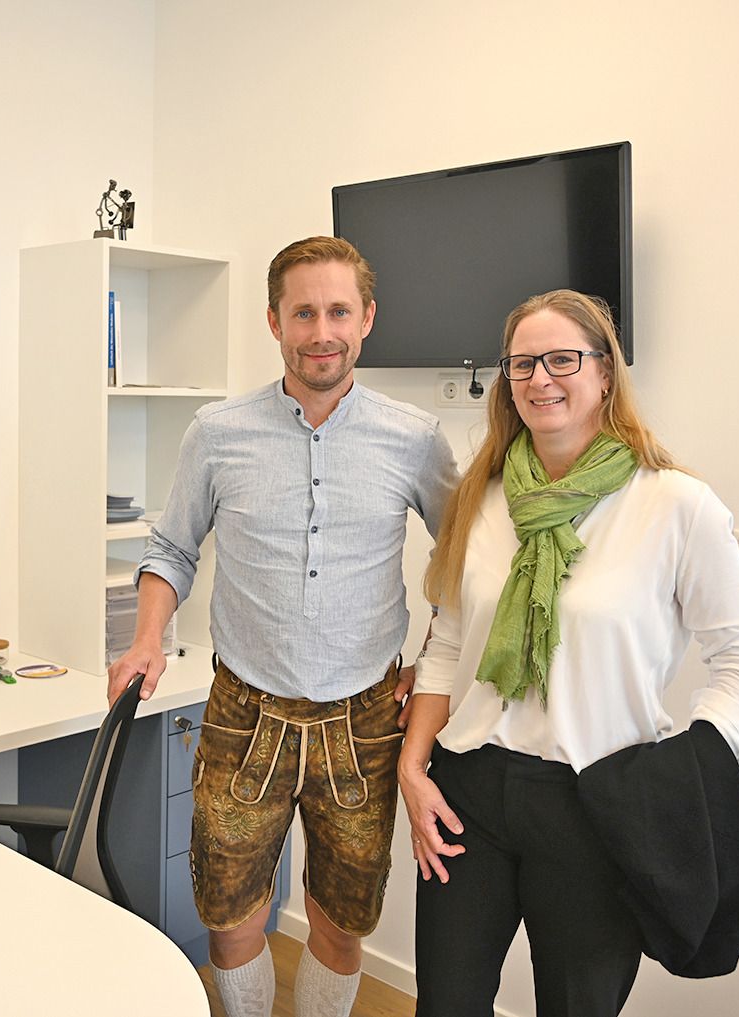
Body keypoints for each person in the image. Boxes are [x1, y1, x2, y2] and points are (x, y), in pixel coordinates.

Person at [107, 235, 459, 1017]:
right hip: (244, 714)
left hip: (364, 721)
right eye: (303, 313)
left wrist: (435, 659)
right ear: (274, 321)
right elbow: (171, 547)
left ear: (367, 319)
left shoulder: (415, 438)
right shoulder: (216, 431)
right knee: (230, 918)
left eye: (338, 311)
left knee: (340, 924)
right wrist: (146, 640)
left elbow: (466, 562)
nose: (321, 331)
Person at [398, 289, 739, 1017]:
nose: (539, 378)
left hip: (598, 802)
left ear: (605, 372)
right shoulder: (481, 498)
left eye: (562, 359)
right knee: (444, 1003)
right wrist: (414, 769)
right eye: (521, 364)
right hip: (469, 791)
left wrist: (700, 758)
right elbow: (447, 644)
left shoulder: (675, 504)